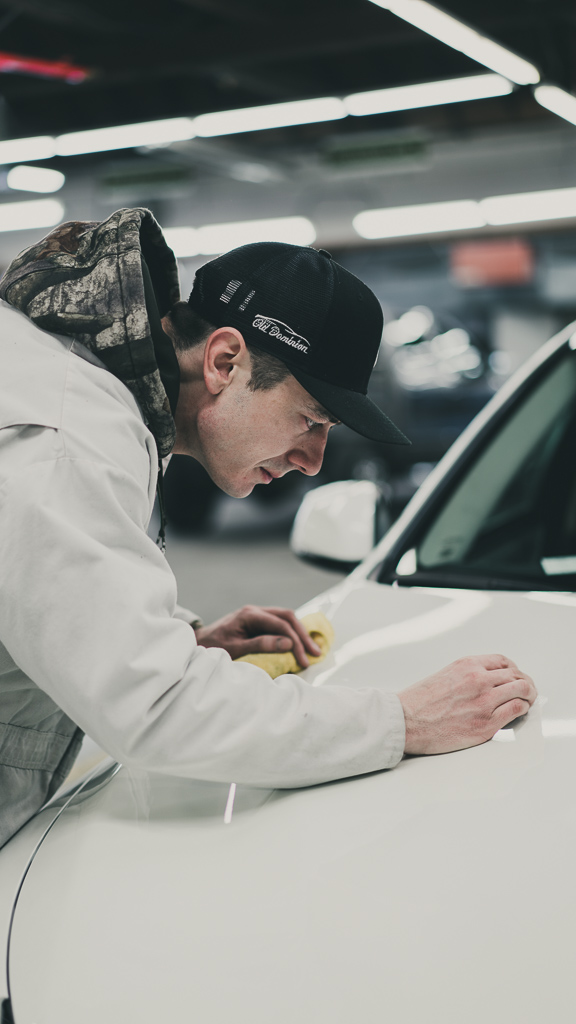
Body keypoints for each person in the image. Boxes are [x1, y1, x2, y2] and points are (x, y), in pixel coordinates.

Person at [0, 208, 536, 847]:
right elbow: (157, 710)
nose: (312, 463)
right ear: (225, 361)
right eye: (310, 420)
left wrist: (180, 642)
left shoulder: (76, 394)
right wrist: (404, 720)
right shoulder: (67, 437)